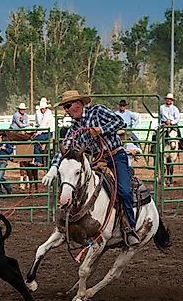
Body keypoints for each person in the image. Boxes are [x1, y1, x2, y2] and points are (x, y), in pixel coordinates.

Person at [41, 90, 140, 247]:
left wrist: (101, 129)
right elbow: (66, 147)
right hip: (98, 160)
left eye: (68, 106)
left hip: (116, 156)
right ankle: (77, 224)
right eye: (65, 107)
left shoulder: (98, 111)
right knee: (80, 185)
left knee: (124, 191)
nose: (66, 110)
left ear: (79, 104)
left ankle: (129, 228)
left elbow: (121, 123)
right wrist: (54, 167)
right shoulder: (74, 127)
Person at [32, 98, 55, 166]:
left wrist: (37, 133)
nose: (41, 110)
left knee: (35, 141)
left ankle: (38, 160)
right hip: (47, 132)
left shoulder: (47, 115)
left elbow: (43, 126)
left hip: (47, 133)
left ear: (45, 108)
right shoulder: (47, 113)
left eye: (42, 109)